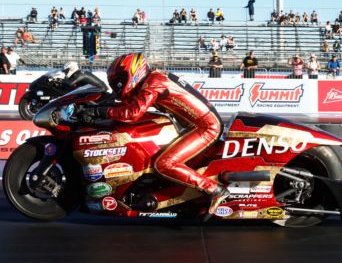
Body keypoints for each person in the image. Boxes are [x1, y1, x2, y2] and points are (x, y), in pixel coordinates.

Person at [76, 53, 228, 215]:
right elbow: (129, 104)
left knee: (165, 164)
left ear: (133, 72)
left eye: (119, 82)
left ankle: (214, 189)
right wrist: (98, 104)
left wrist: (100, 111)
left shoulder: (154, 83)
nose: (118, 87)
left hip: (206, 127)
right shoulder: (152, 80)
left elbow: (132, 112)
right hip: (195, 125)